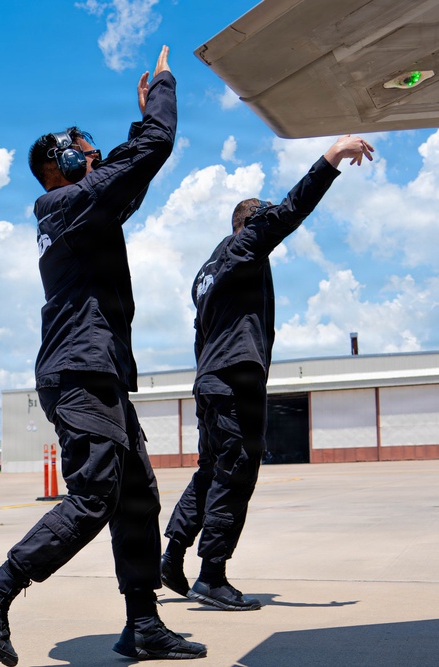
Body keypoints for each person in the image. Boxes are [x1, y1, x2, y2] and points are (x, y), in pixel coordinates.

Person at [0, 45, 205, 665]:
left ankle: (143, 623)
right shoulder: (64, 204)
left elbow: (130, 181)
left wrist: (136, 133)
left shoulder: (82, 209)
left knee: (138, 493)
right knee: (95, 494)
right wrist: (162, 95)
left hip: (98, 371)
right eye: (78, 146)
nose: (88, 150)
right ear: (57, 164)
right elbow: (151, 151)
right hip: (79, 370)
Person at [160, 135, 375, 610]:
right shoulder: (246, 246)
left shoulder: (207, 271)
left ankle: (173, 553)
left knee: (209, 470)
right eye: (264, 224)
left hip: (209, 380)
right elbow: (291, 211)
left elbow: (201, 335)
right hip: (235, 381)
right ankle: (211, 576)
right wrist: (333, 157)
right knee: (235, 474)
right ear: (251, 226)